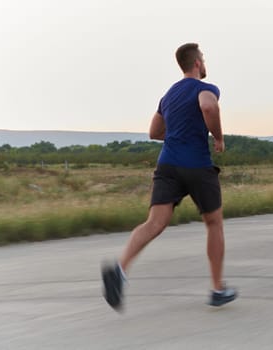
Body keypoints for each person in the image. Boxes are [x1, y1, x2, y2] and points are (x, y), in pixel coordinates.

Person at [102, 43, 237, 310]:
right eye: (204, 58)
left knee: (154, 223)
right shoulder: (205, 89)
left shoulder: (168, 95)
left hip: (167, 166)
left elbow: (154, 132)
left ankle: (120, 269)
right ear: (197, 63)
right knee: (214, 223)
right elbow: (209, 107)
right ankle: (217, 288)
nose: (205, 62)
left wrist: (177, 135)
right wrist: (218, 137)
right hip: (197, 165)